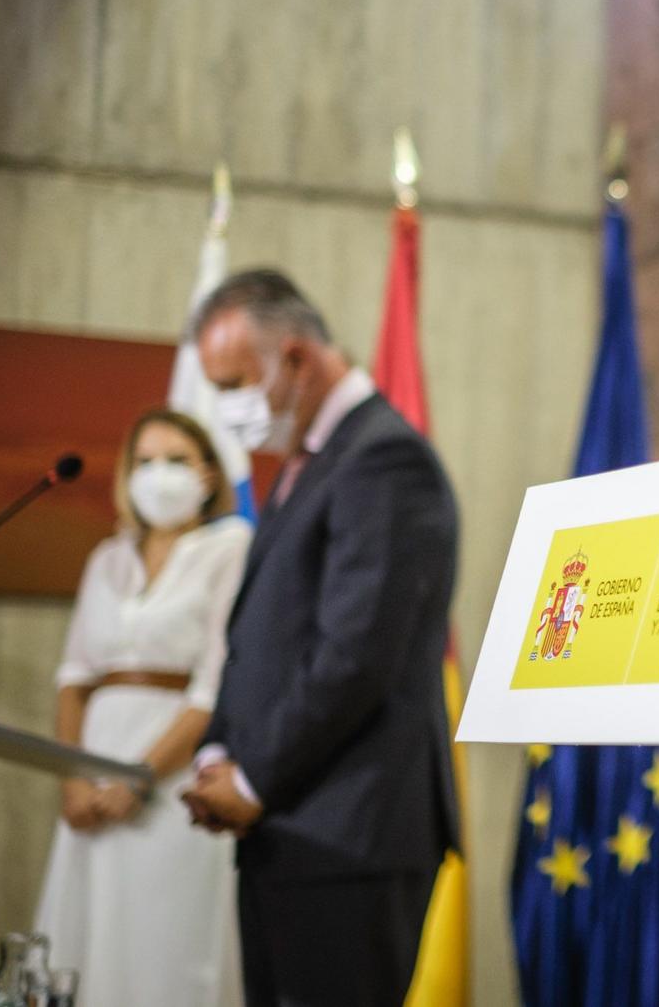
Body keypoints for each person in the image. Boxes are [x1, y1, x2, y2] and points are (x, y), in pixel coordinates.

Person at [179, 268, 458, 1007]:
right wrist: (219, 750)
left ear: (296, 359)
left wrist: (251, 778)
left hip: (349, 834)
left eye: (235, 383)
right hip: (287, 828)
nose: (229, 410)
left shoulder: (385, 460)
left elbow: (354, 655)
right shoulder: (311, 461)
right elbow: (258, 637)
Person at [35, 408, 249, 1007]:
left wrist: (141, 778)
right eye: (145, 461)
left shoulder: (230, 547)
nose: (160, 475)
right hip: (93, 771)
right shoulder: (107, 557)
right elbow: (74, 680)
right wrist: (75, 781)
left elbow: (214, 685)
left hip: (175, 774)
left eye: (177, 460)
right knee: (87, 939)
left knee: (165, 948)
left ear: (208, 474)